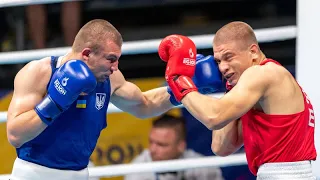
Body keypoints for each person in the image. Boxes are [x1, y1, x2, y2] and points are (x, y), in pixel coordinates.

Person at [6, 19, 222, 180]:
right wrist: (55, 101)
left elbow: (144, 105)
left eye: (117, 60)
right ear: (87, 53)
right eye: (111, 59)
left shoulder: (110, 78)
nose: (115, 67)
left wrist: (183, 86)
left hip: (79, 174)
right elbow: (15, 134)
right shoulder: (39, 73)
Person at [158, 22, 317, 179]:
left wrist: (179, 80)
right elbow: (221, 147)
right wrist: (230, 89)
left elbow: (214, 117)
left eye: (229, 57)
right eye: (219, 61)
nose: (223, 68)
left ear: (253, 51)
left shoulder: (262, 73)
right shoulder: (259, 89)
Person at [124, 114, 224, 180]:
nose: (152, 150)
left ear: (181, 146)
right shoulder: (138, 171)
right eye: (151, 142)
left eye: (161, 144)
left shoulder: (203, 168)